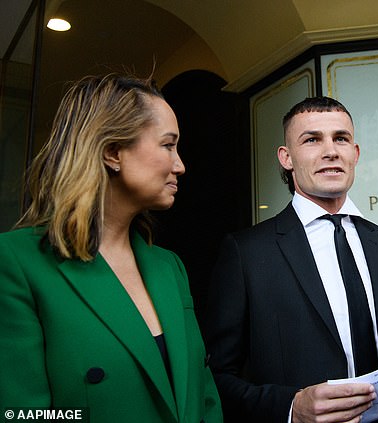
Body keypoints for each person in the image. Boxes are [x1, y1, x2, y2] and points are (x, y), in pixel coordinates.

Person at [204, 96, 378, 423]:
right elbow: (215, 378)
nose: (330, 151)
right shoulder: (246, 253)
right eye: (312, 140)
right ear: (286, 158)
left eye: (341, 138)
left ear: (355, 153)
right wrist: (291, 407)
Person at [0, 74, 222, 422]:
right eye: (168, 145)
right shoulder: (17, 262)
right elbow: (22, 413)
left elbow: (205, 399)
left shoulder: (170, 267)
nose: (180, 164)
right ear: (112, 152)